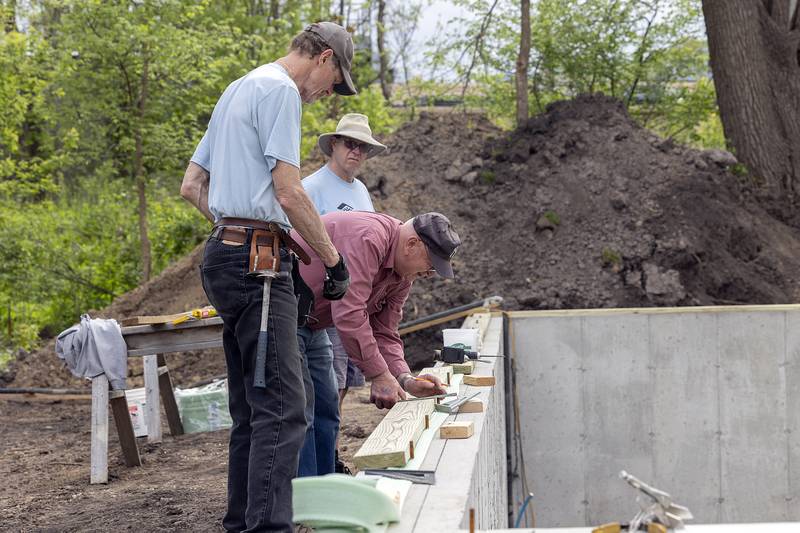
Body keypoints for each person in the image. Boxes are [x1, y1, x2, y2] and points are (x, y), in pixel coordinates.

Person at [179, 22, 357, 533]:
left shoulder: (238, 87)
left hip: (223, 257)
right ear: (322, 58)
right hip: (258, 271)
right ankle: (267, 528)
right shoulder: (281, 91)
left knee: (252, 411)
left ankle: (244, 521)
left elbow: (192, 186)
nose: (328, 94)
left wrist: (233, 228)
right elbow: (289, 191)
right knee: (285, 407)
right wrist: (332, 259)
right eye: (334, 81)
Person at [294, 211, 461, 477]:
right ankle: (297, 499)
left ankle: (323, 491)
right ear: (411, 245)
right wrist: (379, 375)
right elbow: (349, 313)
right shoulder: (369, 238)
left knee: (327, 408)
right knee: (301, 410)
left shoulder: (402, 275)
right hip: (283, 315)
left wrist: (404, 379)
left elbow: (384, 330)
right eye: (430, 264)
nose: (429, 274)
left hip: (313, 324)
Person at [301, 113, 386, 474]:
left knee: (344, 382)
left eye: (362, 147)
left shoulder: (360, 190)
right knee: (328, 385)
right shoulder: (312, 187)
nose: (356, 152)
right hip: (326, 300)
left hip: (354, 300)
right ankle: (324, 459)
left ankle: (328, 452)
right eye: (350, 144)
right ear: (333, 145)